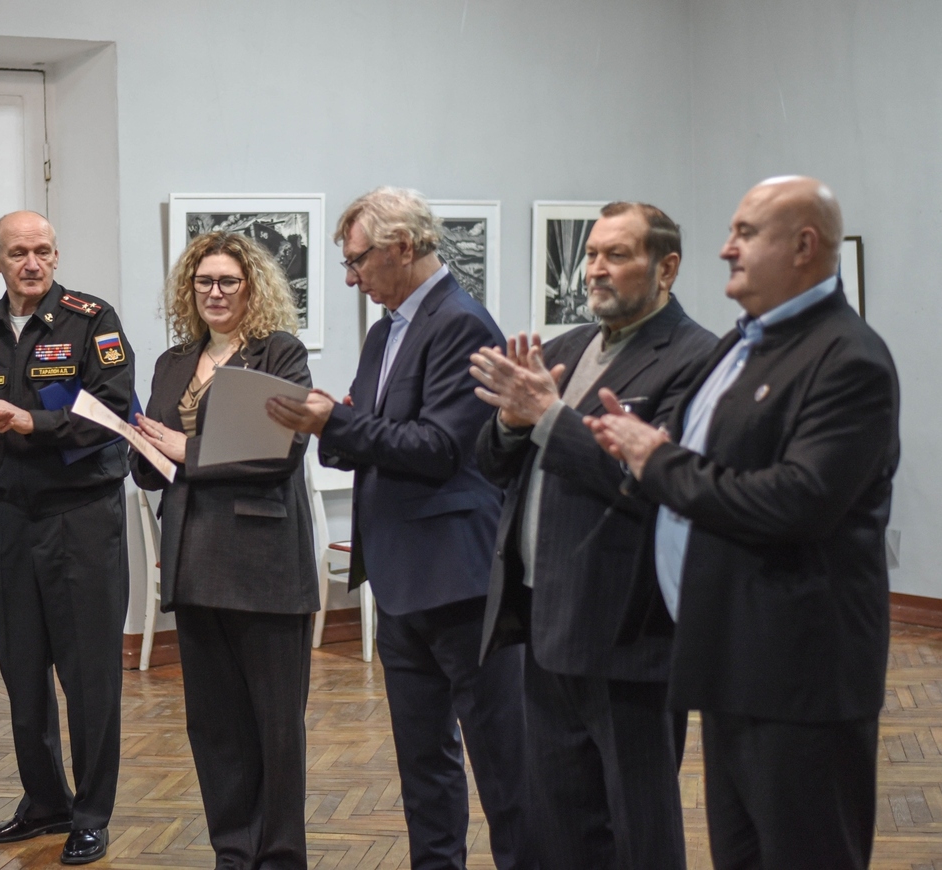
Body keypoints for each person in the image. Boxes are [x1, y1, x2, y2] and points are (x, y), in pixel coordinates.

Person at [586, 177, 899, 870]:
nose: (726, 249)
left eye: (745, 233)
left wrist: (654, 458)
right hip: (727, 656)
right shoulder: (742, 343)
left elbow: (796, 501)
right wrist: (641, 450)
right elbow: (706, 460)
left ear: (804, 246)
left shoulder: (848, 358)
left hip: (800, 676)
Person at [269, 187, 535, 869]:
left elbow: (440, 447)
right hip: (400, 576)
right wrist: (334, 426)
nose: (350, 278)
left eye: (357, 260)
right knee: (423, 764)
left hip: (459, 579)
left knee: (504, 766)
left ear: (404, 247)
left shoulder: (461, 324)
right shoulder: (385, 330)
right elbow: (374, 432)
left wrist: (337, 421)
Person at [469, 202, 716, 870]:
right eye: (590, 254)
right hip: (543, 618)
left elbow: (651, 483)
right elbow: (494, 465)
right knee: (561, 821)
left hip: (626, 630)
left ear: (666, 267)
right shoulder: (564, 349)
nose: (596, 269)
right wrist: (512, 423)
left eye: (617, 255)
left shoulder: (696, 358)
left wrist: (547, 417)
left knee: (639, 827)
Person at [0, 211, 133, 866]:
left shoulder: (92, 321)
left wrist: (27, 422)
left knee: (88, 675)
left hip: (83, 516)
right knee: (22, 669)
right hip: (13, 516)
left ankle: (92, 815)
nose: (32, 262)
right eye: (19, 251)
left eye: (43, 250)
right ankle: (45, 802)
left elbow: (112, 410)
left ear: (55, 256)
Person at [131, 231, 317, 870]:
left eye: (227, 282)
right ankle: (233, 853)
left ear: (251, 288)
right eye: (203, 281)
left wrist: (185, 451)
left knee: (275, 728)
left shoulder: (279, 354)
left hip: (264, 564)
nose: (214, 292)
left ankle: (281, 856)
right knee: (214, 728)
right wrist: (140, 445)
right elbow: (153, 466)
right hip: (193, 559)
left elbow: (279, 451)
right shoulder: (173, 362)